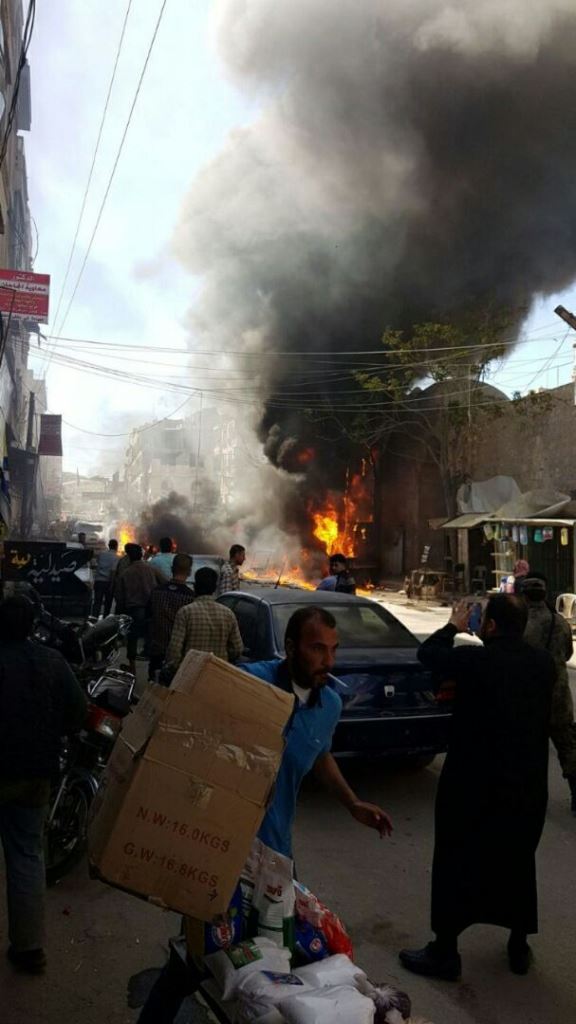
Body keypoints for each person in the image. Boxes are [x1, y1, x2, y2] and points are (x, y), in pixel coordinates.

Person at [137, 605, 392, 1024]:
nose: (328, 661)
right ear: (290, 647)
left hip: (275, 853)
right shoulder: (249, 683)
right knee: (195, 958)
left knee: (274, 958)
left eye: (334, 649)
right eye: (317, 648)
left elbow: (320, 752)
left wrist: (352, 803)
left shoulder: (328, 704)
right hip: (219, 848)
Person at [399, 596, 555, 981]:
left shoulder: (474, 660)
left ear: (490, 626)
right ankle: (518, 945)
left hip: (471, 785)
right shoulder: (543, 664)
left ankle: (445, 951)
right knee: (517, 862)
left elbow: (427, 653)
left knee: (455, 860)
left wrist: (453, 624)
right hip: (525, 785)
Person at [0, 596, 87, 974]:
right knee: (26, 856)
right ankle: (29, 949)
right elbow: (78, 713)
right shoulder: (52, 661)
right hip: (35, 775)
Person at [520, 571, 576, 813]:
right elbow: (567, 653)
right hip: (560, 695)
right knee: (568, 746)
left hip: (532, 696)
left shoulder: (521, 623)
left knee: (529, 749)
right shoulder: (560, 622)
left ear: (524, 595)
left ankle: (528, 797)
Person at [166, 566, 243, 667]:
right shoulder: (228, 614)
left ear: (195, 586)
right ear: (214, 588)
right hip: (216, 671)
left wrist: (175, 667)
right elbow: (238, 649)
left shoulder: (185, 612)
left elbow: (174, 649)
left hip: (190, 670)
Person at [115, 544, 168, 674]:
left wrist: (119, 614)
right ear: (141, 555)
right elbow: (165, 582)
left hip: (134, 610)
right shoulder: (151, 568)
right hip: (151, 608)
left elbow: (119, 597)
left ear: (129, 556)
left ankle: (132, 667)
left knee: (132, 638)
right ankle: (154, 669)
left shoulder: (126, 573)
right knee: (152, 637)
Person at [147, 553, 194, 682]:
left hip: (157, 648)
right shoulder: (190, 597)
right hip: (178, 654)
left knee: (153, 685)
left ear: (172, 569)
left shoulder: (157, 591)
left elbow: (149, 615)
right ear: (189, 571)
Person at [92, 539, 120, 618]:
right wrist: (112, 585)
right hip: (108, 582)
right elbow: (113, 572)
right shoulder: (116, 557)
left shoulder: (101, 554)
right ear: (116, 547)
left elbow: (98, 564)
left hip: (99, 581)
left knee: (97, 602)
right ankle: (105, 621)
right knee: (108, 604)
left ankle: (93, 620)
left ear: (109, 545)